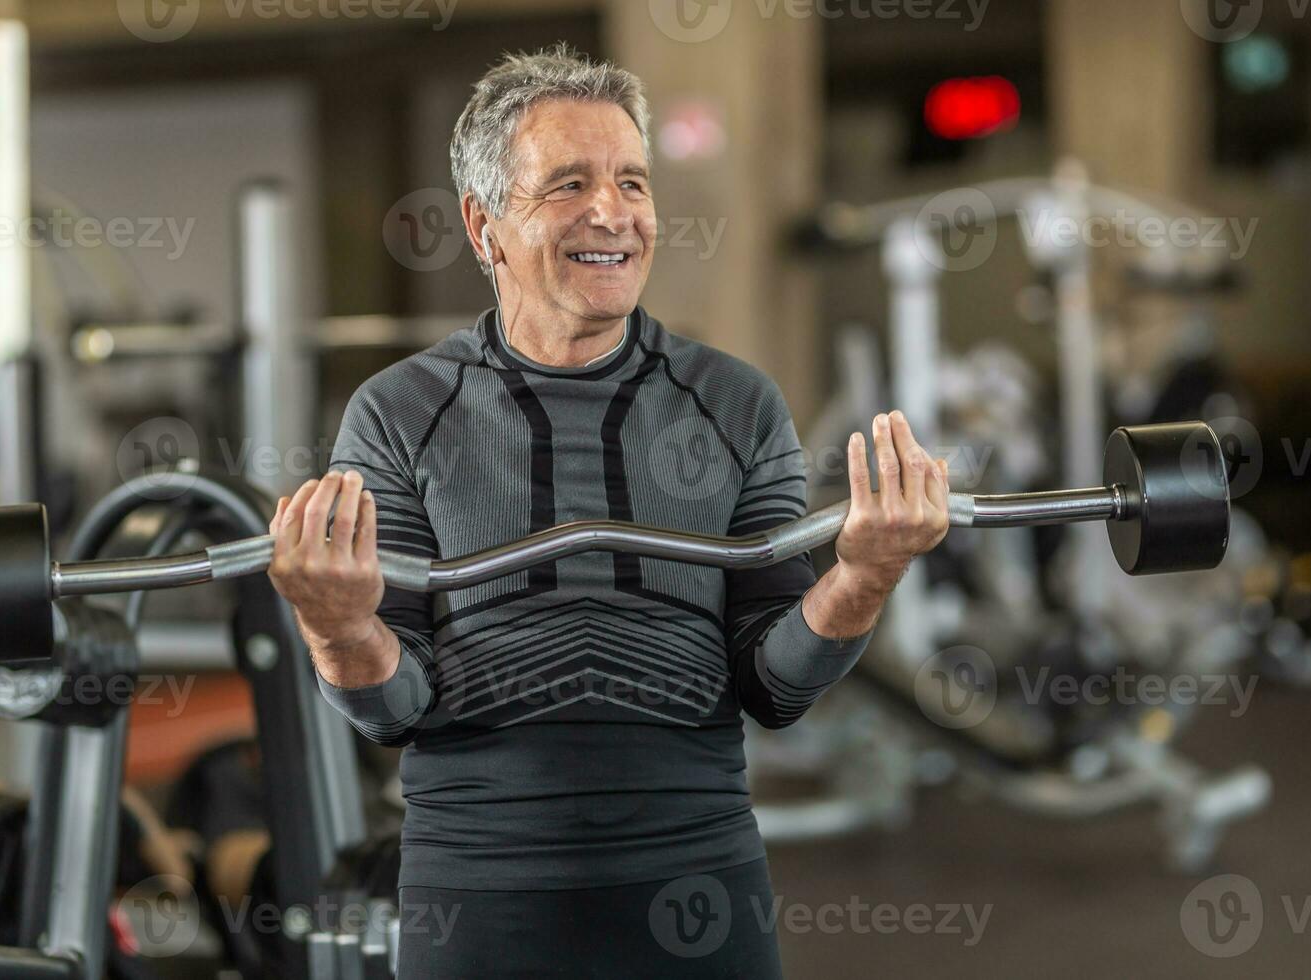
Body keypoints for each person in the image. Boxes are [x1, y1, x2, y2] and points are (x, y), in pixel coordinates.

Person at [267, 44, 949, 979]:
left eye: (633, 181)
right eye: (569, 184)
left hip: (697, 884)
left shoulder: (735, 403)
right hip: (479, 889)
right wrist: (334, 625)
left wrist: (867, 576)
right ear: (484, 225)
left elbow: (776, 687)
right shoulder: (398, 414)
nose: (612, 213)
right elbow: (395, 709)